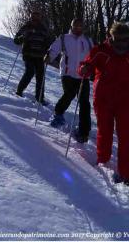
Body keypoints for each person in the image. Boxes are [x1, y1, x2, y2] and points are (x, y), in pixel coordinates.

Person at [78, 22, 129, 184]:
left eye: (125, 39)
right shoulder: (101, 50)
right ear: (111, 37)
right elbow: (86, 65)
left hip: (125, 99)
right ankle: (103, 160)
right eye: (118, 39)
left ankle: (125, 172)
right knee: (104, 129)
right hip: (103, 98)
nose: (121, 43)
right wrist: (85, 69)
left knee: (126, 135)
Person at [45, 18, 93, 142]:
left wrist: (92, 67)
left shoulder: (87, 41)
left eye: (80, 26)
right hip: (68, 73)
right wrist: (49, 56)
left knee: (84, 103)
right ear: (71, 26)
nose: (78, 28)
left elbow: (94, 55)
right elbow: (54, 48)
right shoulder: (64, 38)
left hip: (83, 76)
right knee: (69, 93)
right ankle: (58, 114)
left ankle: (83, 131)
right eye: (75, 26)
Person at [13, 10, 52, 104]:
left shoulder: (44, 28)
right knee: (29, 72)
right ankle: (19, 91)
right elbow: (16, 40)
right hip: (28, 54)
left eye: (37, 17)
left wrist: (48, 50)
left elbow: (48, 41)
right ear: (30, 17)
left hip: (40, 56)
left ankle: (40, 98)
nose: (34, 19)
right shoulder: (26, 27)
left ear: (40, 18)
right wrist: (22, 38)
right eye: (33, 17)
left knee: (40, 77)